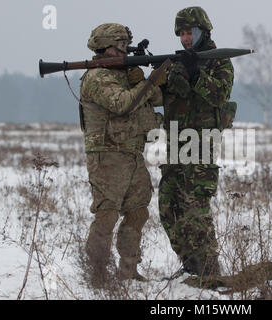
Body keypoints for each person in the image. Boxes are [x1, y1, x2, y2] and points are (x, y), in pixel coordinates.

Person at [80, 23, 166, 287]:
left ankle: (128, 270)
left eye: (126, 45)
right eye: (120, 46)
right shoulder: (97, 78)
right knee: (107, 215)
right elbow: (122, 104)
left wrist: (143, 80)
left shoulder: (124, 75)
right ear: (104, 47)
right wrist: (149, 81)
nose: (125, 50)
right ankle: (97, 273)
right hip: (107, 155)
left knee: (138, 211)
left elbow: (157, 99)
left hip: (131, 153)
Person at [159, 7, 235, 278]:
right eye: (181, 33)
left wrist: (195, 75)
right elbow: (165, 98)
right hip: (176, 143)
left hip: (201, 143)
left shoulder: (219, 61)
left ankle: (210, 269)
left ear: (203, 30)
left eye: (190, 32)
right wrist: (161, 78)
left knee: (195, 208)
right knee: (168, 205)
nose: (186, 38)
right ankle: (191, 264)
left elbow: (218, 95)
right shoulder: (178, 62)